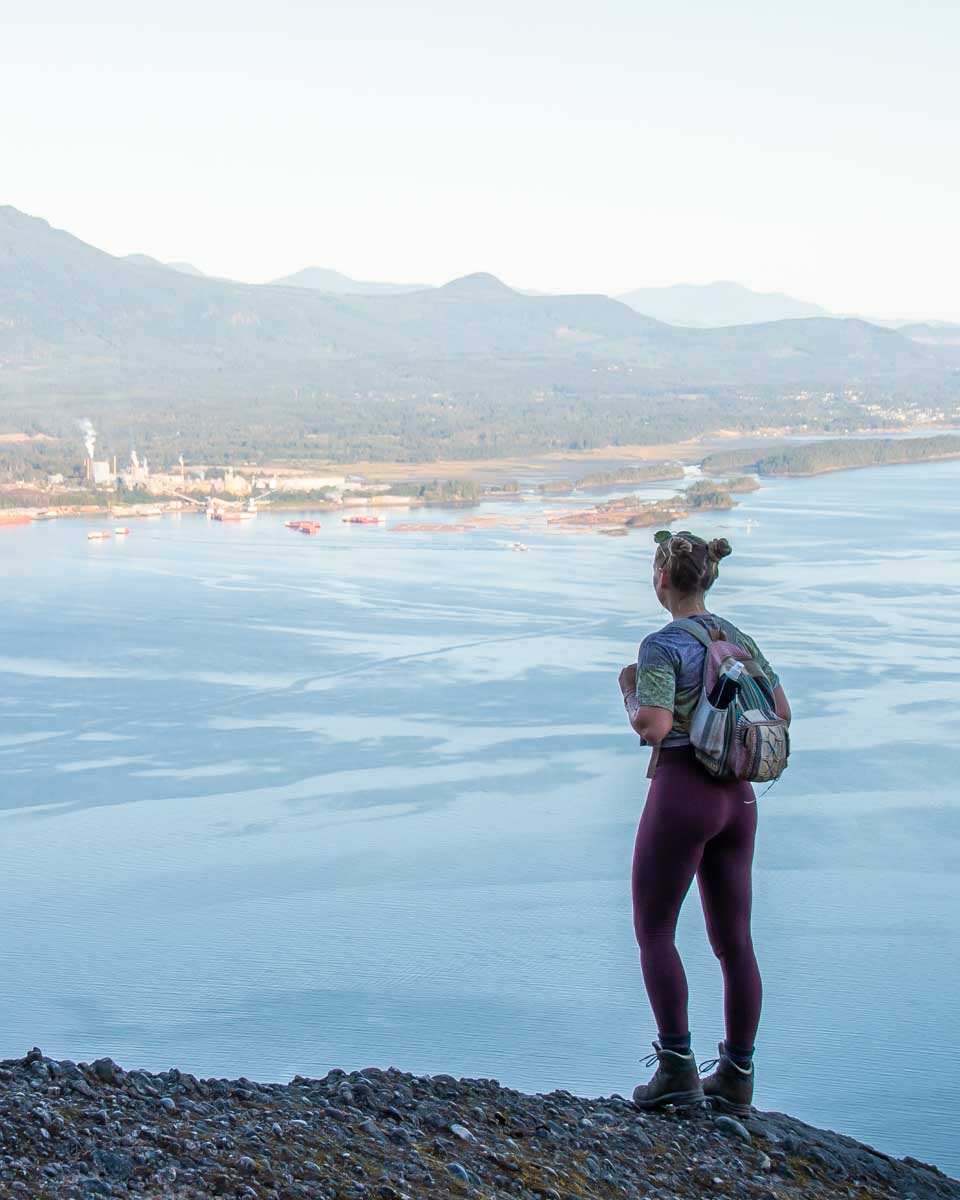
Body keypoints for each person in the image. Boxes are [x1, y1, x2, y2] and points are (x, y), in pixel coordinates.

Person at [617, 529, 791, 1114]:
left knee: (655, 931)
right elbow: (782, 712)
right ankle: (737, 1077)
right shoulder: (736, 638)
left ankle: (676, 1071)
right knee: (734, 941)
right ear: (709, 578)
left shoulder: (661, 645)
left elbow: (656, 728)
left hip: (684, 791)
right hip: (738, 799)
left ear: (661, 578)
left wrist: (631, 695)